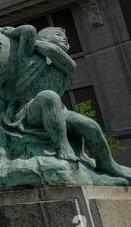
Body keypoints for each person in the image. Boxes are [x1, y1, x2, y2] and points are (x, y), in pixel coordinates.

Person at [9, 26, 131, 180]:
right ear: (43, 38)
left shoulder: (62, 63)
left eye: (64, 36)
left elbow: (63, 59)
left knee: (90, 126)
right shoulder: (28, 56)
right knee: (49, 96)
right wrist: (12, 33)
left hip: (57, 109)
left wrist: (38, 43)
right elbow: (28, 30)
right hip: (28, 111)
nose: (65, 38)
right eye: (58, 35)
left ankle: (107, 163)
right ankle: (62, 145)